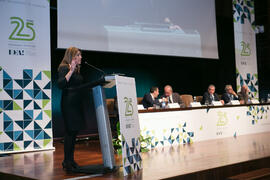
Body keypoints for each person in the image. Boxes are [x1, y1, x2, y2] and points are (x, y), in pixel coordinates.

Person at [57, 47, 85, 172]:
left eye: (80, 55)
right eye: (78, 55)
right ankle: (66, 161)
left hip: (76, 104)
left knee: (74, 133)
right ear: (72, 56)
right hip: (68, 104)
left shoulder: (77, 70)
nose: (81, 57)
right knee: (69, 132)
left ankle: (70, 160)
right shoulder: (64, 67)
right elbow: (61, 84)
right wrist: (71, 70)